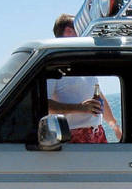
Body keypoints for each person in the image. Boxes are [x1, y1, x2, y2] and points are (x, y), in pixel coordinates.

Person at [47, 14, 122, 143]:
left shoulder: (83, 62)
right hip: (72, 136)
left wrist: (114, 126)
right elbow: (43, 104)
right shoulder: (53, 65)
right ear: (69, 31)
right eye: (80, 28)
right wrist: (80, 108)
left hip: (98, 133)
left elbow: (99, 97)